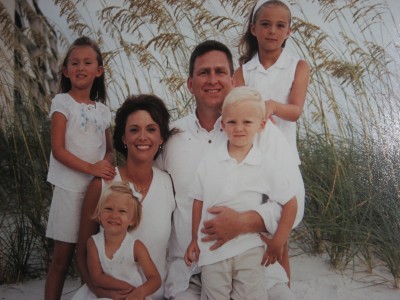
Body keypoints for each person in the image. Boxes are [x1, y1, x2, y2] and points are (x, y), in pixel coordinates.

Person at [157, 40, 303, 300]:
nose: (213, 79)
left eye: (220, 72)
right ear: (190, 84)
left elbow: (295, 205)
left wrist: (246, 222)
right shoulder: (173, 137)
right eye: (204, 72)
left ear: (233, 80)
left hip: (255, 265)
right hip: (192, 269)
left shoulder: (264, 131)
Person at [184, 86, 297, 299]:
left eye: (247, 122)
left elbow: (290, 203)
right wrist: (193, 240)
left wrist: (278, 242)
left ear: (261, 125)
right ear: (223, 124)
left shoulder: (266, 164)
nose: (239, 128)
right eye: (232, 122)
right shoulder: (209, 161)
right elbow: (198, 200)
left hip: (250, 249)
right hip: (212, 251)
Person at [234, 0, 310, 282]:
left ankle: (283, 288)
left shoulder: (297, 66)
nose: (272, 31)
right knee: (255, 234)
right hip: (251, 162)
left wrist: (271, 106)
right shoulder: (244, 71)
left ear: (290, 31)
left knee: (281, 238)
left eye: (280, 25)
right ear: (254, 28)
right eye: (265, 24)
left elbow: (296, 111)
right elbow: (235, 110)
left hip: (284, 159)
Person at [76, 94, 177, 300]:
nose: (142, 137)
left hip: (154, 295)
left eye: (151, 129)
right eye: (134, 129)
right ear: (123, 137)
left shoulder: (168, 183)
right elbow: (82, 253)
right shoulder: (102, 184)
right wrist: (98, 291)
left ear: (161, 137)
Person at [44, 36, 116, 300]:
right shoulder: (63, 103)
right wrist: (92, 168)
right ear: (65, 70)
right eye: (74, 63)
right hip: (68, 190)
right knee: (61, 260)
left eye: (87, 62)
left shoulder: (103, 111)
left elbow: (109, 150)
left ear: (99, 70)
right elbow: (59, 150)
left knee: (89, 258)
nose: (81, 67)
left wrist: (105, 167)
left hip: (96, 194)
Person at [72, 181, 161, 300]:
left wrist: (140, 291)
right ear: (99, 214)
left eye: (122, 211)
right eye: (108, 209)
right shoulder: (93, 243)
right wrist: (124, 288)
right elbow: (97, 277)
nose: (114, 215)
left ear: (132, 219)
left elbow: (155, 279)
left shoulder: (135, 246)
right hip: (104, 293)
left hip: (133, 295)